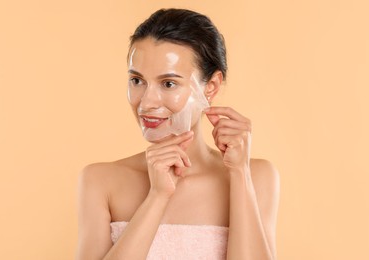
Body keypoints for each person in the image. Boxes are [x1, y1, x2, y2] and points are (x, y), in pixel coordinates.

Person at [76, 8, 280, 260]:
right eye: (137, 80)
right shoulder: (100, 181)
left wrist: (239, 173)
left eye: (168, 83)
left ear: (211, 87)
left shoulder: (257, 177)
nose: (147, 102)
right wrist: (157, 196)